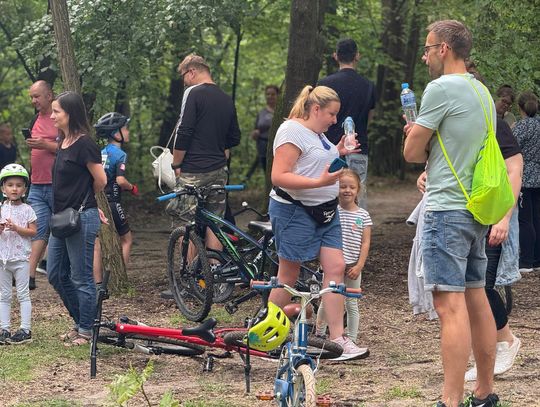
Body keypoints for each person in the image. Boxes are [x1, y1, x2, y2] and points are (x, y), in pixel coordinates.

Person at [403, 20, 500, 407]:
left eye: (428, 49)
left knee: (450, 306)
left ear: (444, 49)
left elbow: (412, 153)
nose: (425, 56)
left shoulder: (441, 89)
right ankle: (485, 392)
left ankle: (450, 400)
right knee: (477, 298)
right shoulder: (482, 92)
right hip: (476, 209)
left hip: (446, 209)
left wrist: (415, 136)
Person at [268, 84, 367, 360]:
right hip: (294, 211)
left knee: (335, 268)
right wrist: (319, 183)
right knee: (288, 275)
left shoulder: (319, 135)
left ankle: (337, 339)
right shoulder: (291, 131)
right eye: (332, 114)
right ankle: (269, 333)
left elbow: (314, 161)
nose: (335, 120)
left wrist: (338, 151)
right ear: (315, 109)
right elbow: (279, 176)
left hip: (326, 212)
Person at [462, 63, 524, 382]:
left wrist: (504, 218)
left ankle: (506, 341)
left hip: (493, 216)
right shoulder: (460, 122)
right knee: (469, 289)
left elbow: (515, 166)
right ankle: (489, 351)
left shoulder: (493, 122)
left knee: (481, 286)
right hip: (466, 215)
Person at [47, 91, 106, 346]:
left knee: (81, 277)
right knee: (55, 274)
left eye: (56, 111)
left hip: (81, 218)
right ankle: (82, 321)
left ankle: (86, 330)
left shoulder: (85, 144)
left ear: (70, 113)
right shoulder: (63, 142)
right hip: (61, 219)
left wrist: (87, 202)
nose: (52, 116)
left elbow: (101, 180)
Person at [168, 53, 241, 252]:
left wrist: (176, 164)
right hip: (219, 171)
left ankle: (188, 270)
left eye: (183, 77)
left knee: (186, 223)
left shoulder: (193, 93)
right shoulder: (226, 98)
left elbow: (184, 131)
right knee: (215, 222)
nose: (184, 83)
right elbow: (234, 137)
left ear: (191, 72)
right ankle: (214, 268)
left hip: (193, 170)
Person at [315, 169, 372, 346]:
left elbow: (365, 243)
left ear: (358, 190)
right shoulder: (332, 213)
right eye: (343, 186)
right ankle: (319, 335)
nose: (347, 190)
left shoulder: (363, 215)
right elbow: (322, 238)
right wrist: (322, 262)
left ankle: (352, 339)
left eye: (352, 187)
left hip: (353, 266)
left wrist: (359, 266)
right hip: (333, 266)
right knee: (327, 300)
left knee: (351, 304)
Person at [318, 38, 376, 209]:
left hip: (330, 148)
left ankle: (333, 226)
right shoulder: (368, 86)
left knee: (329, 193)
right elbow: (370, 117)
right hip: (358, 147)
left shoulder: (324, 84)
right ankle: (359, 226)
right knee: (357, 192)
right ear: (357, 56)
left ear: (335, 56)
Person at [93, 112, 138, 285]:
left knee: (97, 243)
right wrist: (132, 188)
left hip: (99, 202)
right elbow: (120, 180)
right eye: (125, 128)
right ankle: (120, 280)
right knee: (126, 239)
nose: (128, 131)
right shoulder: (120, 154)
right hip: (113, 201)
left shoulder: (101, 153)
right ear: (115, 133)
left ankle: (98, 283)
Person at [0, 164, 37, 344]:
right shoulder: (0, 208)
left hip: (21, 259)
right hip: (2, 259)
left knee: (23, 294)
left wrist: (17, 228)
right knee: (4, 295)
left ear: (24, 189)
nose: (14, 189)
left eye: (19, 185)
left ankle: (25, 329)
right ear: (3, 188)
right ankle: (4, 329)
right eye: (10, 185)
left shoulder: (27, 210)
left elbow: (33, 231)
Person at [26, 80, 57, 290]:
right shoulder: (35, 119)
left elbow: (71, 147)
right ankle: (29, 276)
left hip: (57, 184)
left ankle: (57, 271)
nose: (33, 100)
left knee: (60, 228)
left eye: (36, 96)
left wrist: (45, 144)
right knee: (38, 229)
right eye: (31, 97)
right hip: (36, 184)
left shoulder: (60, 117)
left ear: (49, 95)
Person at [513, 91, 540, 273]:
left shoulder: (521, 126)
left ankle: (526, 260)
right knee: (537, 217)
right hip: (538, 175)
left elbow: (511, 148)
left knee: (525, 220)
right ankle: (537, 259)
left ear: (519, 107)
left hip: (524, 177)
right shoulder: (539, 124)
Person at [244, 85, 279, 180]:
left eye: (273, 94)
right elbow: (256, 129)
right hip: (263, 145)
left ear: (278, 95)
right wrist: (255, 133)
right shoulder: (262, 112)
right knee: (267, 172)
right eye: (268, 94)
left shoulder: (281, 112)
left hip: (278, 146)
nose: (270, 96)